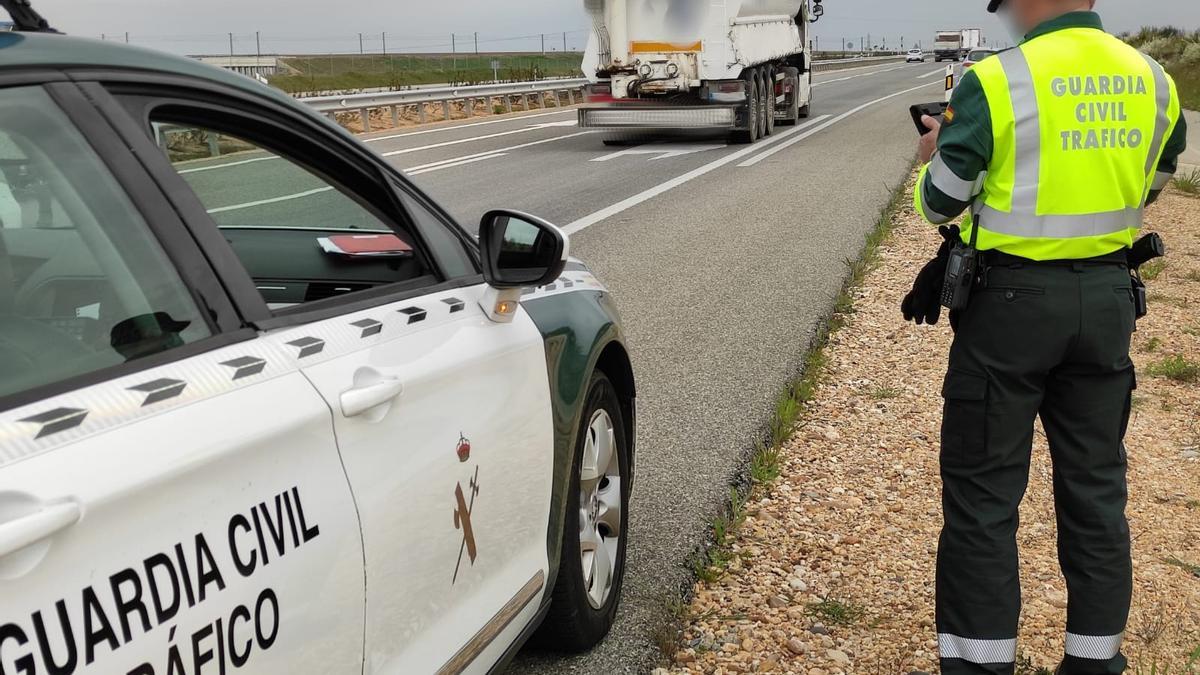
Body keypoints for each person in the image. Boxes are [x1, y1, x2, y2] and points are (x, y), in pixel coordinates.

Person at [905, 0, 1188, 673]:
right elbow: (1158, 178)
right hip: (1108, 300)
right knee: (1095, 492)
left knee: (983, 496)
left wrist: (928, 153)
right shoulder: (1153, 79)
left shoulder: (999, 81)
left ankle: (980, 663)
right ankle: (1094, 660)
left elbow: (939, 200)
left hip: (1009, 308)